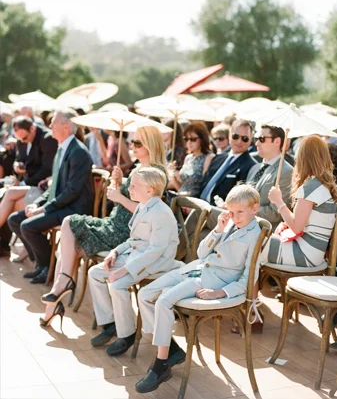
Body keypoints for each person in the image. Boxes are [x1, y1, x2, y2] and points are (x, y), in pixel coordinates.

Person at [135, 184, 262, 393]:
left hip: (214, 281)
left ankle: (160, 365)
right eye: (231, 212)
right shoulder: (229, 224)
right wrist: (218, 230)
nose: (235, 216)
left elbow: (249, 278)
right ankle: (172, 349)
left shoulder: (255, 236)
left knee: (164, 300)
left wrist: (221, 292)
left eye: (240, 212)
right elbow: (202, 253)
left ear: (254, 208)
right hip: (197, 269)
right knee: (145, 293)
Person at [40, 126, 168, 323]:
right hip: (115, 223)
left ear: (151, 146)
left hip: (127, 232)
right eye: (132, 141)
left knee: (70, 225)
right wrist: (119, 182)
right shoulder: (140, 168)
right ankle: (57, 295)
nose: (132, 145)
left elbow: (150, 211)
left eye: (137, 142)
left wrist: (119, 196)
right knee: (69, 234)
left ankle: (60, 290)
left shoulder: (156, 173)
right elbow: (132, 198)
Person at [87, 167, 180, 356]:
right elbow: (134, 240)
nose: (130, 188)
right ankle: (112, 322)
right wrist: (115, 251)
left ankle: (127, 334)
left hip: (156, 263)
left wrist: (124, 270)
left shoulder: (160, 212)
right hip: (137, 256)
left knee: (118, 284)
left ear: (150, 190)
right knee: (95, 273)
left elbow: (156, 251)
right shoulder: (143, 206)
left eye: (135, 185)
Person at [8, 109, 94, 286]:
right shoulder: (63, 148)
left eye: (53, 122)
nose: (49, 126)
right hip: (62, 204)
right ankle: (43, 263)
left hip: (73, 209)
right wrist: (38, 203)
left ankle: (49, 266)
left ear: (66, 126)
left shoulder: (78, 152)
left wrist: (44, 208)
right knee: (15, 220)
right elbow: (54, 186)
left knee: (27, 226)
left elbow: (72, 191)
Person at [263, 135, 337, 268]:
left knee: (252, 244)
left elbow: (297, 226)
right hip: (313, 252)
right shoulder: (321, 184)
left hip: (304, 253)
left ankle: (245, 288)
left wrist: (278, 202)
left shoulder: (310, 187)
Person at [0, 116, 57, 258]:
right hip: (26, 185)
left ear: (32, 129)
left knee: (10, 197)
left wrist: (24, 183)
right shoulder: (21, 139)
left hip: (41, 187)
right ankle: (9, 246)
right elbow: (19, 160)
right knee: (9, 198)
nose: (22, 141)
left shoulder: (47, 139)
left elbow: (47, 169)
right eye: (19, 139)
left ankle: (15, 247)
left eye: (24, 138)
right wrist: (17, 167)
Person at [199, 119, 256, 206]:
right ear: (229, 135)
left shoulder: (250, 166)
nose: (239, 141)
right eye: (235, 136)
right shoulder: (218, 158)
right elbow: (203, 183)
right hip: (198, 205)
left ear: (250, 139)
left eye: (245, 138)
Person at [246, 125, 293, 225]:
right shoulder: (254, 168)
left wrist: (243, 210)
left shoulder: (286, 172)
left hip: (263, 231)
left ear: (277, 141)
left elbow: (276, 214)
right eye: (256, 138)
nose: (257, 143)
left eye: (261, 139)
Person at [168, 122, 214, 197]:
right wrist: (173, 176)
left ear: (202, 139)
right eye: (186, 139)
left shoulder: (209, 157)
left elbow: (203, 186)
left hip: (195, 201)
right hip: (181, 198)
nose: (189, 142)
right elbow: (183, 186)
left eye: (193, 139)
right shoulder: (188, 157)